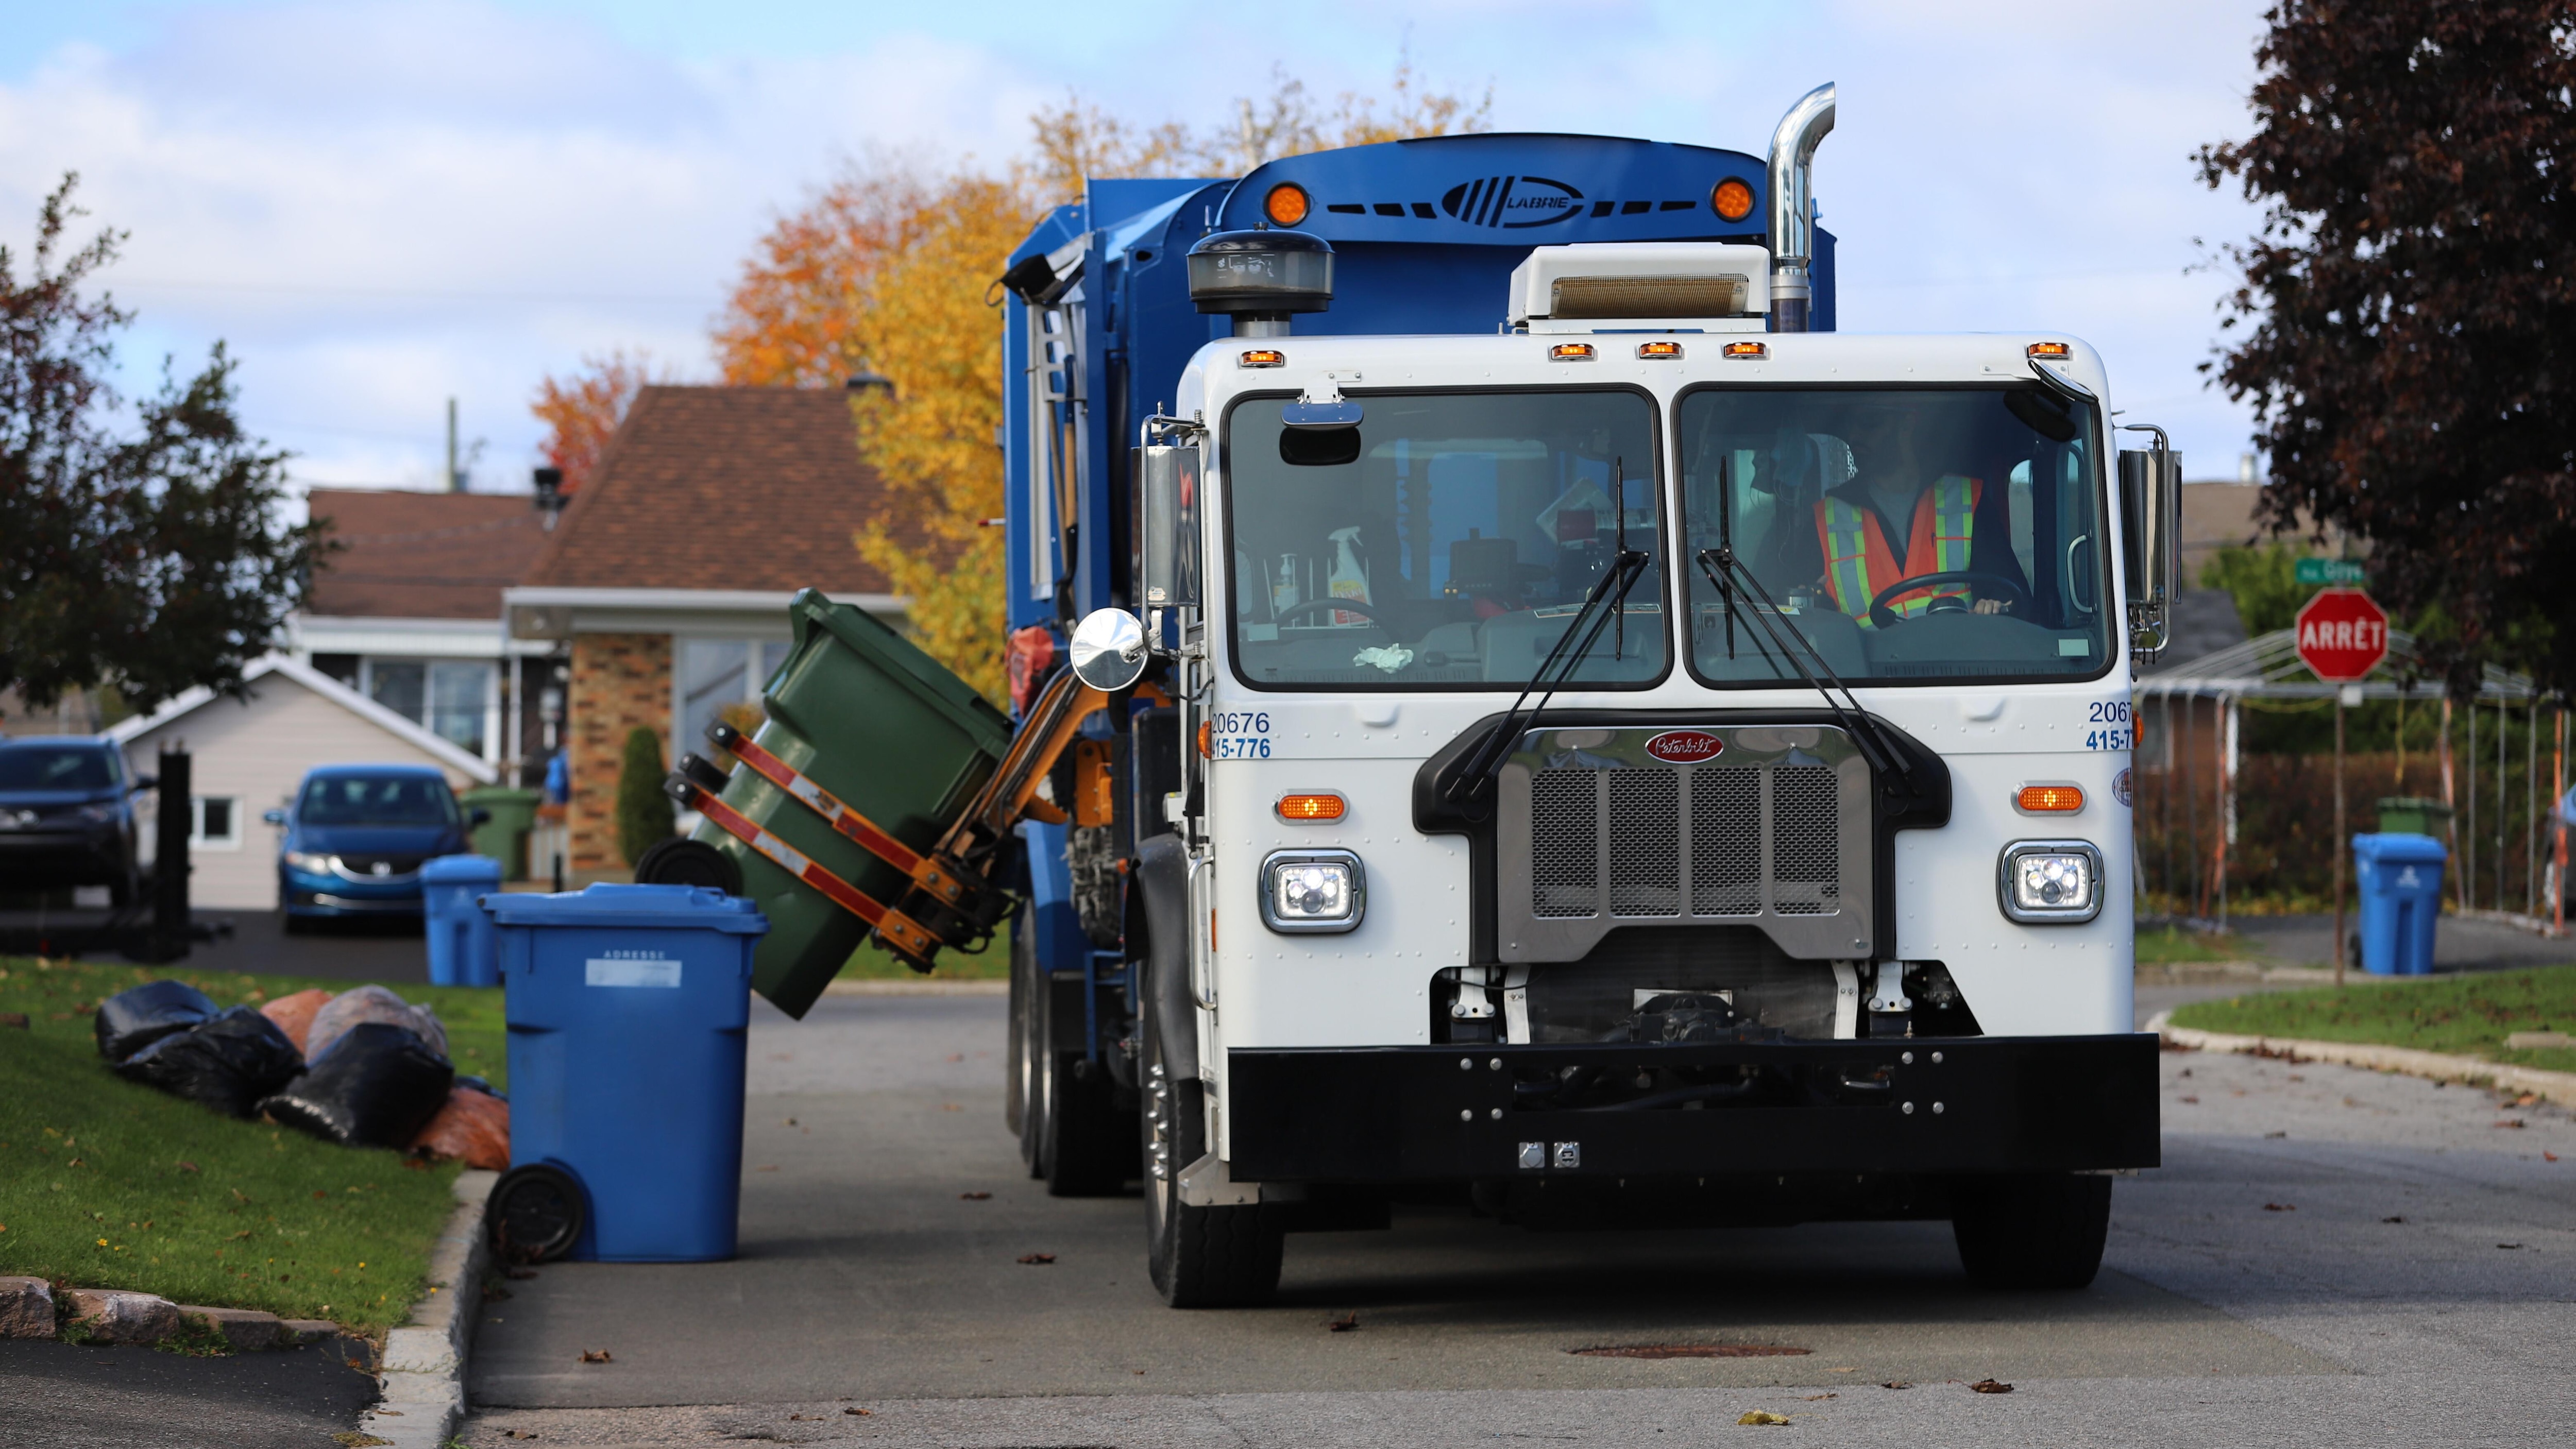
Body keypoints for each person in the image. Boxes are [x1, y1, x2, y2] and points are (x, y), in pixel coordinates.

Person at [1767, 410, 2028, 627]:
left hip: (1961, 677)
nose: (1855, 436)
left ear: (1907, 423)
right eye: (1851, 427)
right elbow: (1794, 619)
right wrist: (1813, 601)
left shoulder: (1968, 500)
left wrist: (1994, 608)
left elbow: (2013, 601)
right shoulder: (1823, 521)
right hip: (1863, 685)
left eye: (1869, 422)